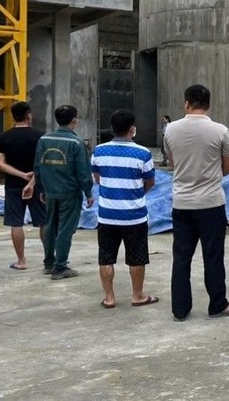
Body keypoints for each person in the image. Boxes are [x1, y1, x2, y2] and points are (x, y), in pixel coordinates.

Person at [164, 84, 229, 321]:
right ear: (209, 105)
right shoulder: (220, 131)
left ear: (186, 103)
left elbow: (172, 163)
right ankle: (218, 305)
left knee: (181, 257)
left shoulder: (171, 129)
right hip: (211, 203)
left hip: (182, 203)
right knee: (213, 257)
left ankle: (180, 309)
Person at [90, 110, 159, 309]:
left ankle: (109, 298)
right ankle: (138, 295)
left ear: (112, 129)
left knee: (106, 256)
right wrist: (136, 194)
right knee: (137, 257)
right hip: (134, 216)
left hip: (107, 214)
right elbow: (150, 182)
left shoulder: (99, 151)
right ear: (132, 129)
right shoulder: (143, 153)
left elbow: (98, 179)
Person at [26, 105, 94, 280]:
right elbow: (83, 172)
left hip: (50, 191)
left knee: (50, 226)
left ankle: (49, 263)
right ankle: (60, 267)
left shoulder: (44, 140)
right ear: (74, 120)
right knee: (65, 229)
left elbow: (37, 166)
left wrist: (40, 188)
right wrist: (88, 192)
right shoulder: (76, 143)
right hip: (69, 192)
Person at [0, 101, 48, 271]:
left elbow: (0, 163)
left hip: (13, 185)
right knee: (44, 222)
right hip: (38, 184)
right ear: (29, 116)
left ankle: (21, 260)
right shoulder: (40, 136)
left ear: (13, 116)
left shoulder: (3, 137)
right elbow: (43, 163)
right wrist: (31, 180)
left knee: (15, 223)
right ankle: (49, 258)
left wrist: (21, 175)